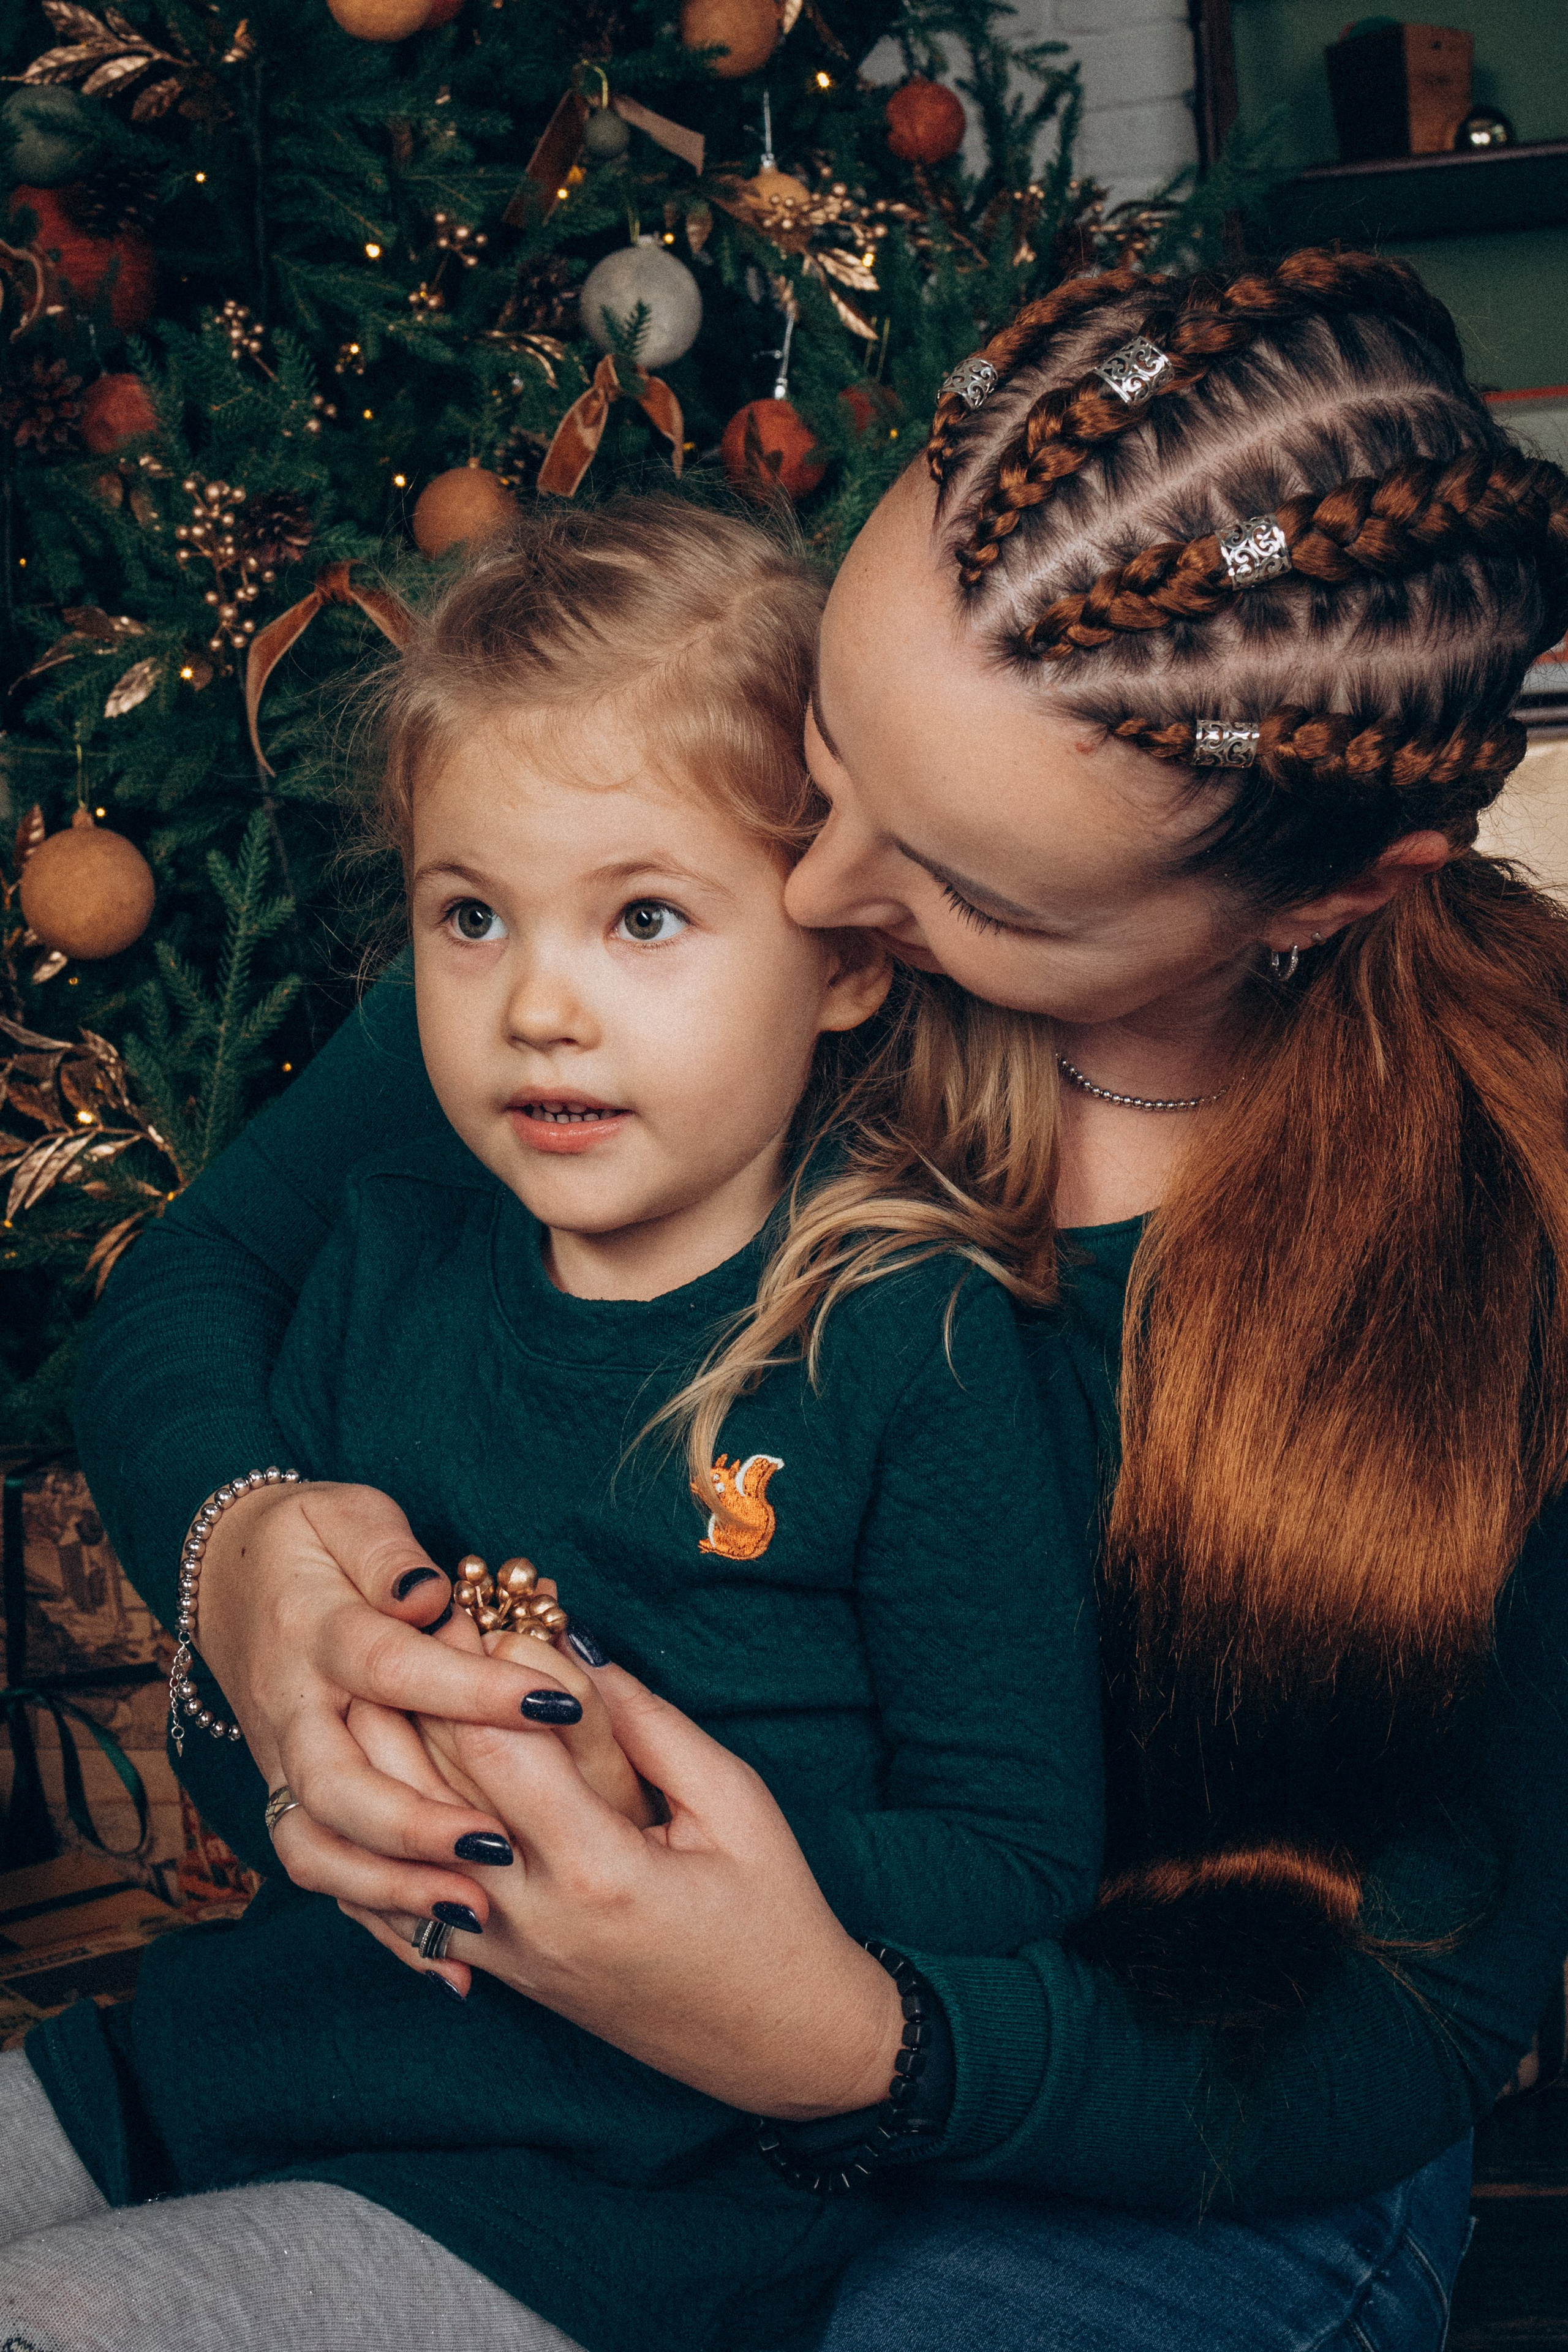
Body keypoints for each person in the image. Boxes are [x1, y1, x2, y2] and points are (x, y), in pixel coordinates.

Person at [43, 249, 1568, 2350]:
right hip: (554, 2094)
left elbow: (1402, 2016)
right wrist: (246, 1572)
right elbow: (208, 1275)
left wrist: (854, 2042)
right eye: (831, 750)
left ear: (1318, 898)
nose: (822, 892)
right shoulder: (641, 981)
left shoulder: (1492, 1252)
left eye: (969, 890)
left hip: (1200, 2106)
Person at [1, 502, 1110, 2352]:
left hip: (609, 2199)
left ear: (841, 955)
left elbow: (1014, 1861)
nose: (536, 1004)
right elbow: (249, 1762)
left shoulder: (906, 1342)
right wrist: (299, 1731)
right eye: (470, 916)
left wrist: (652, 1830)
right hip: (236, 2057)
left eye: (645, 916)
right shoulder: (379, 1256)